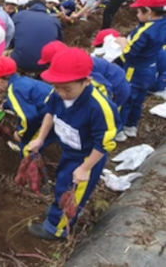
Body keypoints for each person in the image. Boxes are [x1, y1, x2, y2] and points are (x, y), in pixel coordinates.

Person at [27, 47, 120, 240]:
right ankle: (57, 210)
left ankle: (57, 229)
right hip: (69, 151)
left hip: (87, 157)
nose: (61, 93)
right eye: (57, 86)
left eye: (67, 89)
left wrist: (85, 168)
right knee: (63, 182)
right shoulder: (58, 94)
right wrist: (40, 138)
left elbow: (104, 144)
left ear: (86, 82)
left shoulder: (99, 108)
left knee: (73, 193)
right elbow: (50, 113)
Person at [116, 0, 166, 139]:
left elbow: (130, 53)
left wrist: (123, 42)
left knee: (126, 98)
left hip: (134, 69)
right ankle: (131, 126)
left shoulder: (145, 31)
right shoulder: (163, 24)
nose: (137, 15)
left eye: (138, 11)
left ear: (149, 11)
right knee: (138, 100)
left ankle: (119, 130)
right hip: (150, 69)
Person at [0, 56, 55, 157]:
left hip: (51, 116)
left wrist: (20, 134)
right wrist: (4, 106)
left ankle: (31, 170)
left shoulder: (13, 91)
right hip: (58, 109)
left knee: (27, 149)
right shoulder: (22, 81)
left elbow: (29, 118)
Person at [10, 0, 63, 73]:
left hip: (20, 62)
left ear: (28, 7)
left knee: (6, 52)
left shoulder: (19, 16)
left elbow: (10, 39)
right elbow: (59, 43)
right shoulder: (54, 20)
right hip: (45, 65)